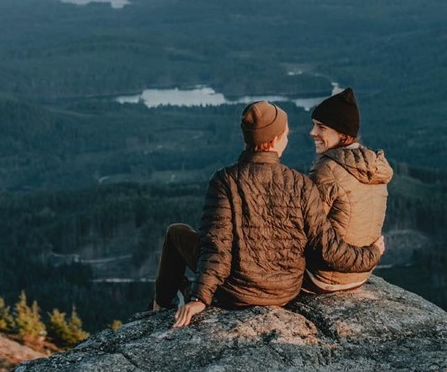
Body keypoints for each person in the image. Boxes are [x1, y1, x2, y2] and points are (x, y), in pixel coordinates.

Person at [152, 100, 385, 328]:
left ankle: (160, 305)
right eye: (285, 134)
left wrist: (200, 298)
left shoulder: (225, 181)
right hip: (286, 292)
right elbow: (326, 247)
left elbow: (217, 248)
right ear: (274, 140)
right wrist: (371, 254)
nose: (289, 138)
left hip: (237, 293)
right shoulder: (301, 184)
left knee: (176, 232)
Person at [304, 87, 392, 294]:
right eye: (314, 125)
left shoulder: (327, 170)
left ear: (343, 135)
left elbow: (308, 229)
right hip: (360, 274)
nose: (312, 132)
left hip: (322, 277)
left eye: (321, 127)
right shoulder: (374, 166)